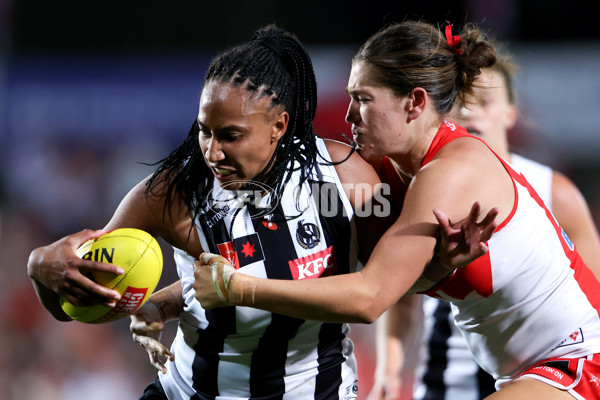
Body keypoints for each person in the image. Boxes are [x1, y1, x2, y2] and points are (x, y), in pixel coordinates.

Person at [26, 25, 493, 400]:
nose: (211, 151)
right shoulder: (172, 194)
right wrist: (43, 271)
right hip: (194, 391)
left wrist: (436, 265)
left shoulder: (346, 180)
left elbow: (382, 284)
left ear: (278, 125)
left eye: (229, 135)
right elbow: (82, 300)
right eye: (204, 131)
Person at [194, 21, 600, 400]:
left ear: (414, 103)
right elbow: (376, 282)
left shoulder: (452, 171)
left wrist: (238, 289)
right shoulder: (391, 170)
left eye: (363, 100)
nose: (350, 115)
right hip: (525, 370)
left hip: (580, 357)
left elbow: (370, 297)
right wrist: (174, 299)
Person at [367, 52, 600, 400]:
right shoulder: (425, 184)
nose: (469, 110)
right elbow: (395, 292)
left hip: (552, 366)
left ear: (511, 114)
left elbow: (593, 289)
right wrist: (390, 368)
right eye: (459, 101)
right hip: (452, 371)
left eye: (484, 101)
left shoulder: (551, 189)